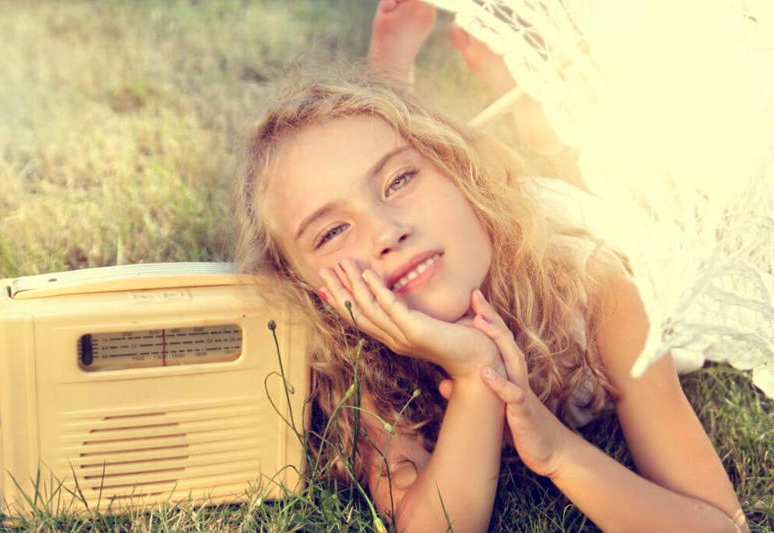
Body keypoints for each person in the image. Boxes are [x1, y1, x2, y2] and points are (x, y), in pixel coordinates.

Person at [233, 1, 748, 530]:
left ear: (466, 177)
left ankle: (508, 108)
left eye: (399, 181)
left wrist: (556, 449)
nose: (386, 233)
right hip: (469, 222)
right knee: (390, 145)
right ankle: (400, 91)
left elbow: (720, 525)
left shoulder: (602, 293)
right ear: (315, 291)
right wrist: (475, 373)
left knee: (608, 178)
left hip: (556, 226)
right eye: (332, 231)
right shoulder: (355, 348)